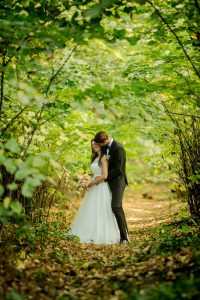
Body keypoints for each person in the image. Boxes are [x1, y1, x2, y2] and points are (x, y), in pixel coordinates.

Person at [68, 141, 120, 244]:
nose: (94, 146)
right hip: (93, 186)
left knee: (101, 209)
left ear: (101, 144)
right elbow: (95, 173)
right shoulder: (95, 157)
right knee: (91, 209)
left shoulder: (104, 158)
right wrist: (85, 180)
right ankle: (89, 231)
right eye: (92, 145)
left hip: (101, 187)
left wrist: (91, 182)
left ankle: (101, 234)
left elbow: (104, 175)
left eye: (96, 144)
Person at [93, 131, 129, 244]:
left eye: (100, 144)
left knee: (116, 207)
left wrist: (105, 177)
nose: (99, 147)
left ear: (105, 141)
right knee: (106, 208)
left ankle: (124, 237)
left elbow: (119, 169)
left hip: (118, 182)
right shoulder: (104, 148)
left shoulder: (118, 148)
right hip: (106, 183)